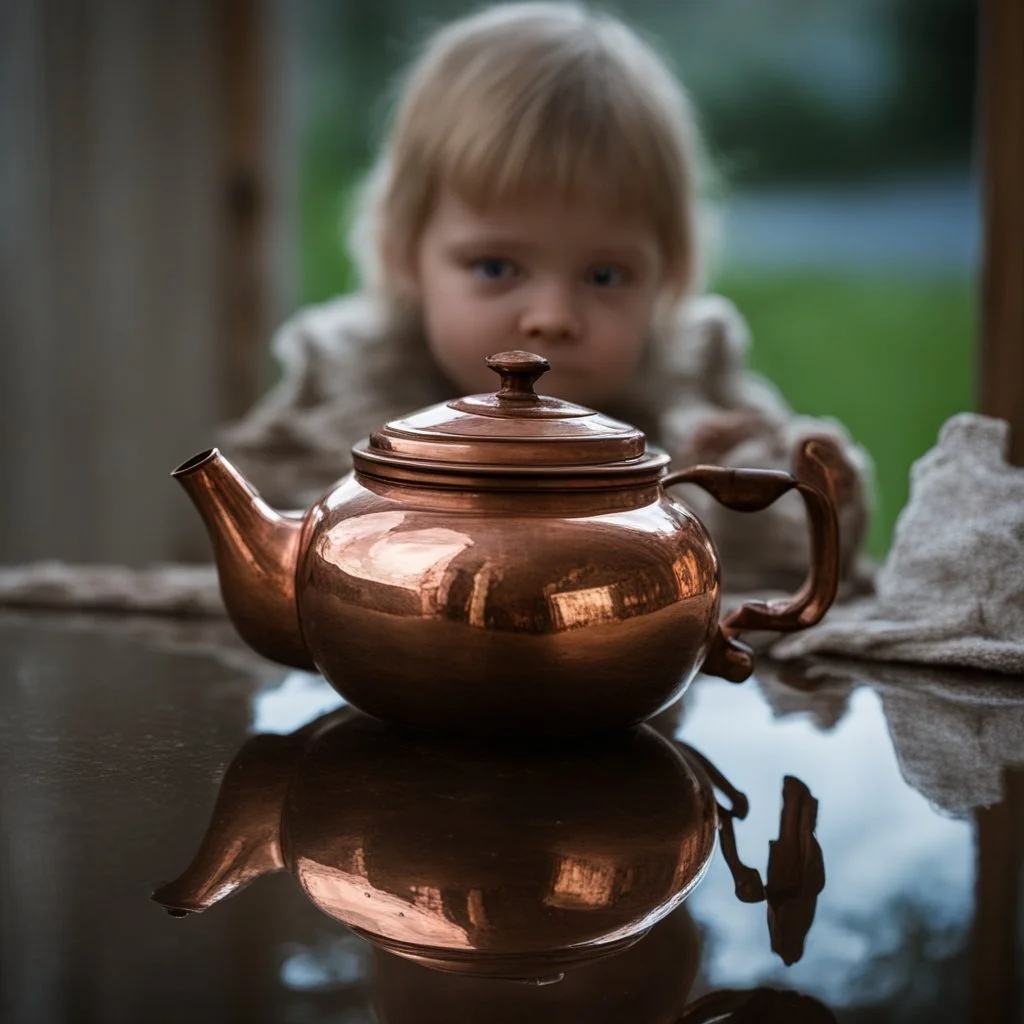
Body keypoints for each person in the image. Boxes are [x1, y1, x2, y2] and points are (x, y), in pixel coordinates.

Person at [221, 0, 872, 594]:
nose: (552, 319)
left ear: (667, 276)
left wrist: (809, 497)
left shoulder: (695, 392)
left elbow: (806, 569)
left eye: (605, 277)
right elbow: (275, 548)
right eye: (498, 266)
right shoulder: (345, 384)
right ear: (404, 254)